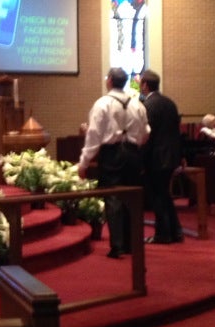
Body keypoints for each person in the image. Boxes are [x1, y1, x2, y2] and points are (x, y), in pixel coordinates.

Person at [78, 67, 149, 259]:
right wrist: (135, 144)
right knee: (132, 197)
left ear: (109, 81)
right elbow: (146, 132)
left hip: (112, 154)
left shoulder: (102, 104)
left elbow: (93, 135)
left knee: (113, 198)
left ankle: (117, 246)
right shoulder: (138, 105)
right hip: (133, 154)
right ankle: (133, 244)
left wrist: (83, 163)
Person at [139, 69, 183, 244]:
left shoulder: (149, 106)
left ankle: (163, 234)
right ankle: (176, 231)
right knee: (164, 195)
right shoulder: (170, 103)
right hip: (171, 156)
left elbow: (148, 135)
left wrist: (141, 160)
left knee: (158, 196)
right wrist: (181, 156)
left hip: (157, 158)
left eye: (141, 83)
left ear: (145, 85)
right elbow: (176, 133)